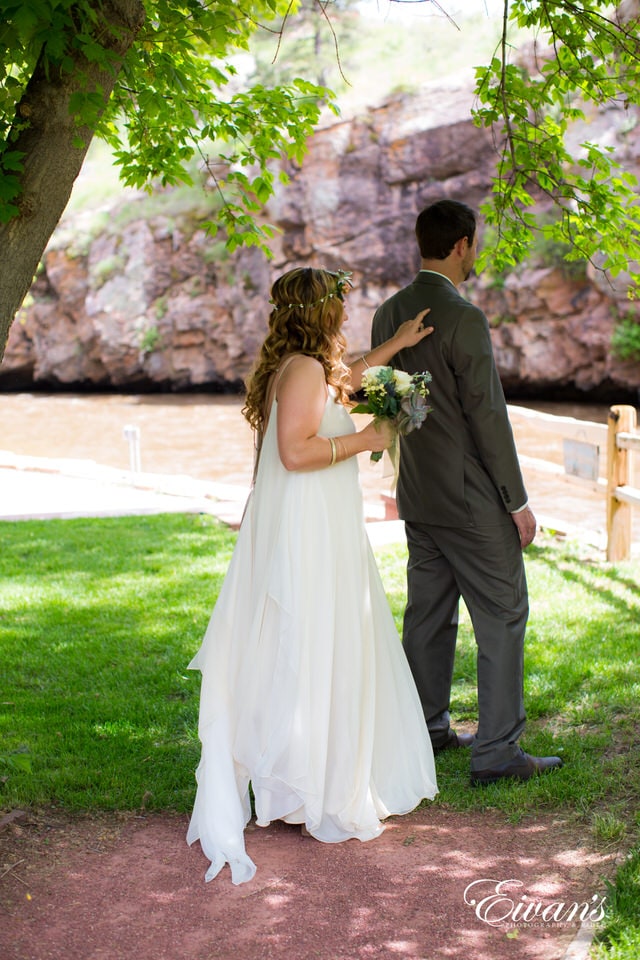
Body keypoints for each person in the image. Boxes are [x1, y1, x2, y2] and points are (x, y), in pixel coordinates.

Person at [187, 266, 438, 884]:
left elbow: (344, 383)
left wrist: (396, 347)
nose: (346, 316)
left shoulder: (307, 367)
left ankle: (304, 781)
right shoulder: (301, 369)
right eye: (340, 307)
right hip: (308, 529)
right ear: (323, 312)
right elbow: (294, 453)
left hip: (321, 524)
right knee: (308, 643)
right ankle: (306, 785)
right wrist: (368, 439)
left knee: (317, 644)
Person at [371, 200, 563, 787]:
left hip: (419, 495)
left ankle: (425, 731)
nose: (473, 254)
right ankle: (498, 751)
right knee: (504, 613)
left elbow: (390, 408)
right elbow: (488, 416)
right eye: (473, 246)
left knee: (428, 616)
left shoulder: (386, 315)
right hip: (473, 500)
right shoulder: (464, 317)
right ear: (461, 245)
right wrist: (517, 501)